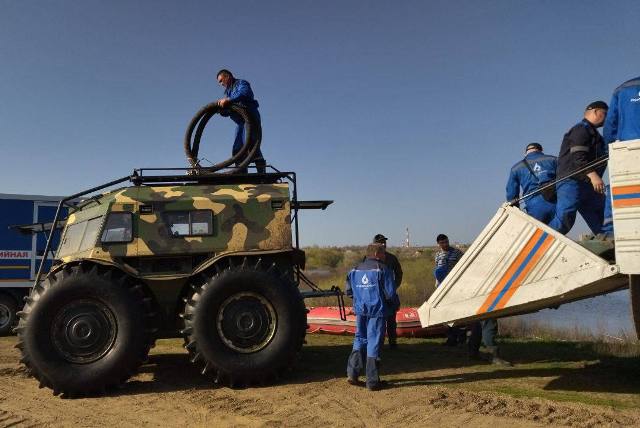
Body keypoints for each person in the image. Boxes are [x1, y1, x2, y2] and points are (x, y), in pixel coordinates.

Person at [548, 101, 609, 235]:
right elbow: (578, 156)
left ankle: (612, 248)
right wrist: (594, 176)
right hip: (571, 181)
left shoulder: (596, 135)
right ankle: (538, 246)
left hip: (588, 184)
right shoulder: (581, 129)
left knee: (603, 218)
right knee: (564, 220)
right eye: (605, 113)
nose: (607, 117)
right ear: (595, 112)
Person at [346, 243, 397, 391]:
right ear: (376, 253)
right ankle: (372, 381)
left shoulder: (354, 269)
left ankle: (352, 374)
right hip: (377, 311)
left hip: (361, 310)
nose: (385, 256)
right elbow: (390, 294)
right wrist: (393, 306)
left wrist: (360, 300)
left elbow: (349, 291)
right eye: (383, 253)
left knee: (359, 338)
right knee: (374, 342)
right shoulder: (382, 269)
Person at [601, 76, 640, 236]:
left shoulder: (622, 89)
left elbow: (611, 122)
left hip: (628, 147)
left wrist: (610, 146)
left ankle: (610, 232)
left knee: (620, 187)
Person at [216, 69, 267, 173]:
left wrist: (229, 100)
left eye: (221, 80)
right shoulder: (228, 92)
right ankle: (241, 174)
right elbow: (232, 109)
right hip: (241, 123)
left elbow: (245, 93)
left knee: (250, 144)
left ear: (228, 77)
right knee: (237, 148)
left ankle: (261, 174)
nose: (221, 84)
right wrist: (222, 111)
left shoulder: (241, 83)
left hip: (250, 118)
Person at [506, 143, 557, 224]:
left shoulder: (516, 168)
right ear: (541, 150)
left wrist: (516, 209)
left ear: (525, 153)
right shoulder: (553, 159)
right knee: (558, 233)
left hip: (535, 207)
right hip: (557, 204)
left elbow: (511, 195)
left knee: (541, 234)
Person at [433, 234, 465, 346]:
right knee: (446, 314)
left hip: (455, 286)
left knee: (457, 313)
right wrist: (437, 285)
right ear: (438, 244)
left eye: (446, 242)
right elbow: (437, 269)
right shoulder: (437, 255)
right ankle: (451, 338)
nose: (445, 244)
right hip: (443, 287)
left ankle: (461, 337)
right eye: (442, 243)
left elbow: (465, 265)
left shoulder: (457, 253)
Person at [372, 234, 403, 349]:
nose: (384, 244)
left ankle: (393, 343)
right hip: (375, 295)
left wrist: (394, 286)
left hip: (389, 295)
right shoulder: (368, 259)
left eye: (384, 242)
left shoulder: (392, 258)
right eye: (381, 242)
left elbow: (399, 273)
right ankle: (377, 344)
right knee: (377, 321)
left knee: (391, 320)